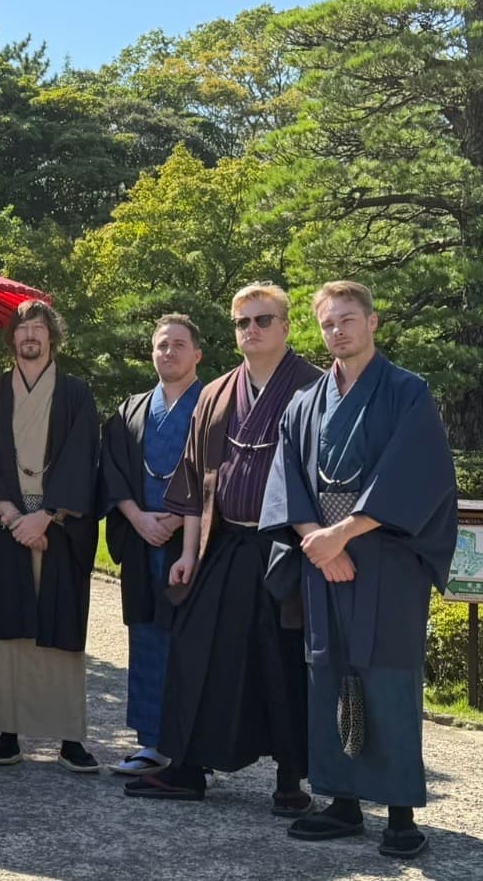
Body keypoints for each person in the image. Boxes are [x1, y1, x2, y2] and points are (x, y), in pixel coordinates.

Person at [262, 281, 456, 859]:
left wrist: (342, 535)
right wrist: (318, 542)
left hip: (387, 557)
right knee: (327, 673)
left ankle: (399, 814)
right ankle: (342, 802)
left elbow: (415, 474)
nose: (337, 330)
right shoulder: (304, 402)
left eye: (348, 319)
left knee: (387, 677)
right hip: (321, 556)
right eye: (328, 323)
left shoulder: (407, 392)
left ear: (373, 323)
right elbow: (287, 483)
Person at [125, 283, 320, 813]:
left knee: (281, 660)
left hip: (287, 546)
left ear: (285, 326)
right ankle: (188, 767)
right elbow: (194, 483)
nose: (251, 330)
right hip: (224, 543)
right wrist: (188, 554)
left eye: (262, 320)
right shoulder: (215, 394)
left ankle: (290, 780)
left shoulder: (312, 388)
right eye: (242, 323)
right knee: (197, 651)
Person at [0, 300, 101, 772]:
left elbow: (83, 457)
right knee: (11, 628)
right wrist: (10, 515)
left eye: (39, 328)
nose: (30, 336)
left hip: (60, 526)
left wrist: (47, 516)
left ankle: (70, 737)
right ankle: (8, 732)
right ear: (12, 339)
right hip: (6, 525)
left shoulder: (76, 394)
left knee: (62, 629)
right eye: (22, 329)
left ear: (52, 337)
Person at [98, 315, 203, 775]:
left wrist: (180, 519)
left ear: (197, 354)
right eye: (162, 345)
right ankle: (151, 745)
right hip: (141, 538)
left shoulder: (214, 404)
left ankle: (194, 749)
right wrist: (137, 517)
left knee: (194, 644)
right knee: (145, 638)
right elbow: (112, 469)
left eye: (179, 345)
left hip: (196, 542)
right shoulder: (131, 409)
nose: (169, 352)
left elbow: (224, 472)